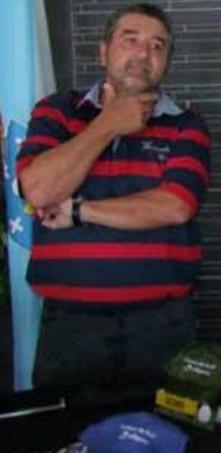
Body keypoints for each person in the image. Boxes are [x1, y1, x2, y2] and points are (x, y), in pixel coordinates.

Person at [16, 3, 210, 389]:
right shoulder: (57, 112)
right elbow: (38, 189)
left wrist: (80, 209)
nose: (143, 53)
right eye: (131, 39)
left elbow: (174, 205)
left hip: (162, 325)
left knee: (164, 442)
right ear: (103, 51)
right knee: (63, 441)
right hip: (71, 328)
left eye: (158, 46)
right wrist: (108, 123)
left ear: (167, 61)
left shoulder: (185, 125)